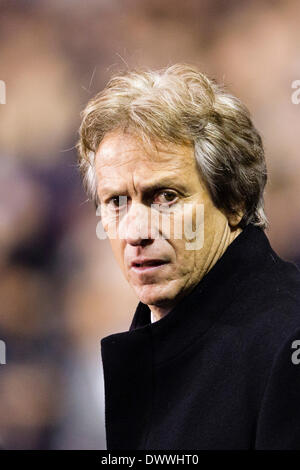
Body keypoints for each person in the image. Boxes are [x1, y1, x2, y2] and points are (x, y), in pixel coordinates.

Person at [77, 64, 300, 450]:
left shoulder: (287, 345)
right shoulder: (167, 331)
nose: (135, 231)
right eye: (116, 202)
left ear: (234, 200)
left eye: (165, 197)